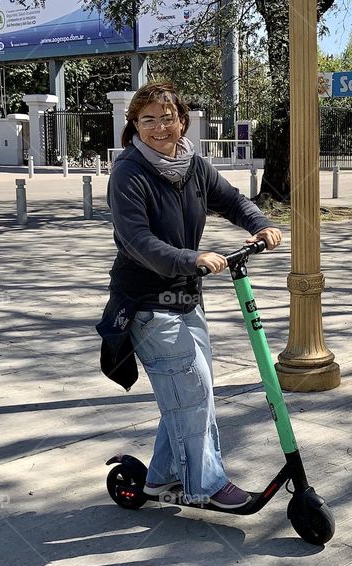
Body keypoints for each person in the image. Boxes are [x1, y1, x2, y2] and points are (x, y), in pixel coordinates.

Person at [97, 81, 282, 509]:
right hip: (145, 304)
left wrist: (258, 223)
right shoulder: (128, 172)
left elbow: (231, 200)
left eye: (168, 117)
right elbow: (137, 241)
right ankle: (207, 486)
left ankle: (161, 479)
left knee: (191, 394)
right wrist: (190, 257)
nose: (160, 127)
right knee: (193, 392)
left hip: (187, 299)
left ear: (183, 121)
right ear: (134, 126)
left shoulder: (192, 164)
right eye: (148, 119)